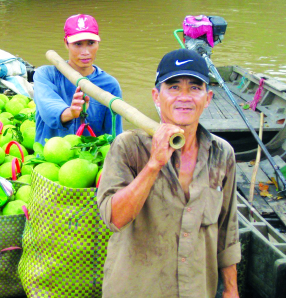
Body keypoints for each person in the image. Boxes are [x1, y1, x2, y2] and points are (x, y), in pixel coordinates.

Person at [97, 48, 240, 297]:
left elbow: (227, 230)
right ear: (156, 96)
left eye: (194, 88)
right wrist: (154, 164)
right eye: (173, 87)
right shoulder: (127, 147)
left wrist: (230, 290)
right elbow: (115, 218)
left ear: (207, 98)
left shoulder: (222, 153)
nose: (184, 97)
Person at [33, 14, 122, 145]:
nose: (85, 52)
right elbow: (48, 110)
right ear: (66, 43)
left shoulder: (110, 85)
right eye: (78, 44)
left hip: (88, 162)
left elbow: (113, 134)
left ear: (98, 43)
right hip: (48, 160)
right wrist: (71, 112)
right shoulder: (46, 75)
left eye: (91, 43)